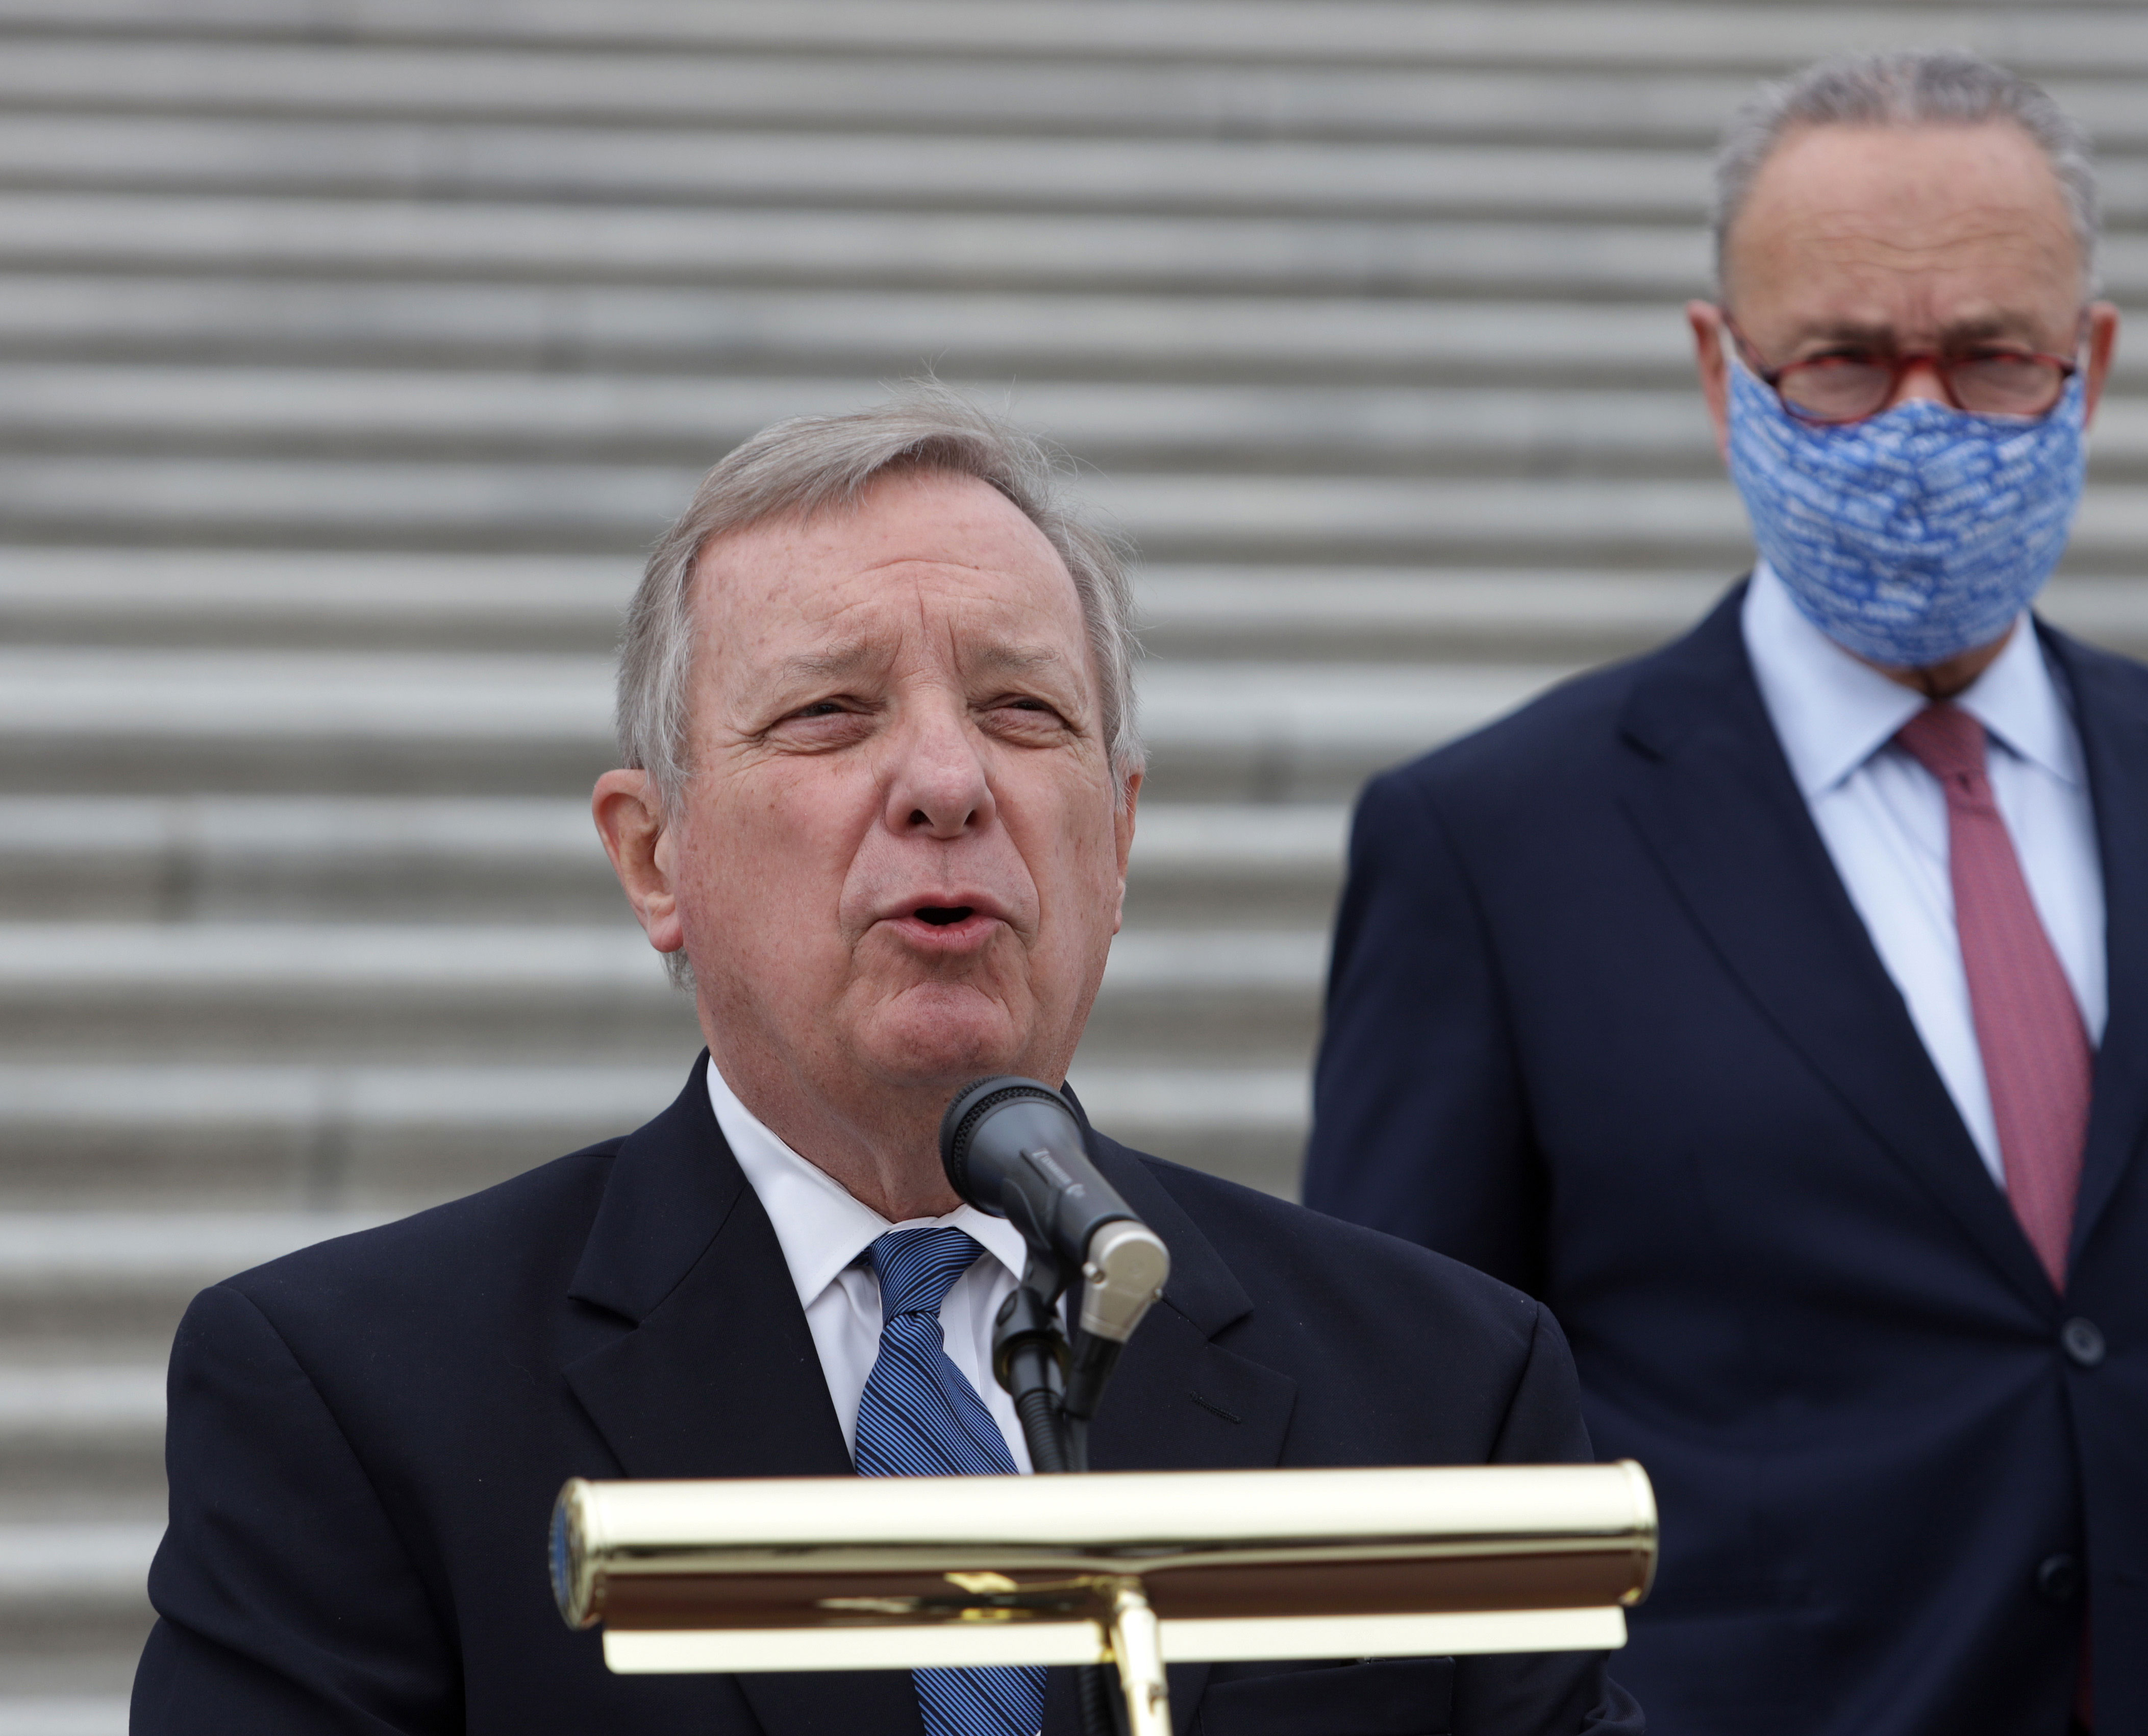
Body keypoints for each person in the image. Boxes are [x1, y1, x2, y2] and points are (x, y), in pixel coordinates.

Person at [1304, 49, 2148, 1736]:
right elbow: (1404, 1445)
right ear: (1718, 369)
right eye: (1838, 362)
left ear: (2090, 364)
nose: (1917, 421)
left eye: (1989, 358)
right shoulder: (1493, 846)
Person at [132, 389, 1643, 1736]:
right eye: (831, 713)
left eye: (1020, 710)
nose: (944, 782)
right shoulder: (357, 1398)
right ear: (654, 856)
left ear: (1116, 839)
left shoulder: (1445, 1386)